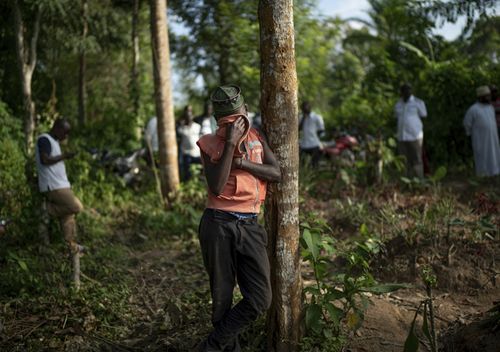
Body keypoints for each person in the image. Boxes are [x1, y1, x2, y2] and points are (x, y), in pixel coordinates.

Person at [196, 85, 281, 351]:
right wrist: (230, 143)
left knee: (259, 298)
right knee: (221, 297)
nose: (235, 124)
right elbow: (217, 187)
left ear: (245, 113)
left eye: (238, 118)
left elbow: (275, 172)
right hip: (218, 224)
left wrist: (242, 163)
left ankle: (210, 346)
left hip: (249, 226)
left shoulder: (256, 136)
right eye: (228, 122)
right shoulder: (210, 142)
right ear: (218, 122)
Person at [35, 119, 84, 254]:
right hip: (53, 186)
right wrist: (64, 156)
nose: (66, 136)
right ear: (57, 128)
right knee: (76, 206)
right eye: (65, 132)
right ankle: (46, 210)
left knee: (68, 215)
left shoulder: (54, 141)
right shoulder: (44, 139)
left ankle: (71, 246)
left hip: (60, 184)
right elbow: (45, 160)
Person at [463, 86, 500, 177]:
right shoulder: (473, 109)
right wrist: (469, 134)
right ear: (481, 97)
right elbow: (467, 123)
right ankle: (483, 175)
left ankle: (495, 172)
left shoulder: (490, 107)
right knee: (482, 157)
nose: (489, 98)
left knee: (494, 154)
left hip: (493, 137)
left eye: (489, 96)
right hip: (480, 139)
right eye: (487, 96)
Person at [394, 83, 427, 178]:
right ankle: (405, 181)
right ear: (401, 92)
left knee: (416, 159)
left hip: (415, 136)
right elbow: (397, 117)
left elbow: (424, 115)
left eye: (408, 90)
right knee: (403, 160)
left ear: (411, 91)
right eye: (404, 90)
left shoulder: (418, 102)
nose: (406, 92)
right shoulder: (398, 104)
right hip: (402, 137)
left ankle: (419, 181)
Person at [177, 105, 202, 181]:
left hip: (197, 153)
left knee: (200, 169)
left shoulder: (197, 126)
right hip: (186, 154)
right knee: (187, 172)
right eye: (187, 116)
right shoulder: (181, 128)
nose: (188, 118)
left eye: (190, 116)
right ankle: (188, 182)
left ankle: (199, 182)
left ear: (192, 117)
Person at [299, 101, 325, 167]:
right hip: (304, 145)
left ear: (310, 108)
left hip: (314, 144)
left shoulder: (317, 117)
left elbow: (321, 130)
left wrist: (318, 140)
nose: (304, 110)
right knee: (302, 163)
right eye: (303, 108)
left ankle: (315, 176)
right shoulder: (301, 117)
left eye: (306, 108)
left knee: (315, 164)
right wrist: (303, 118)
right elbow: (298, 129)